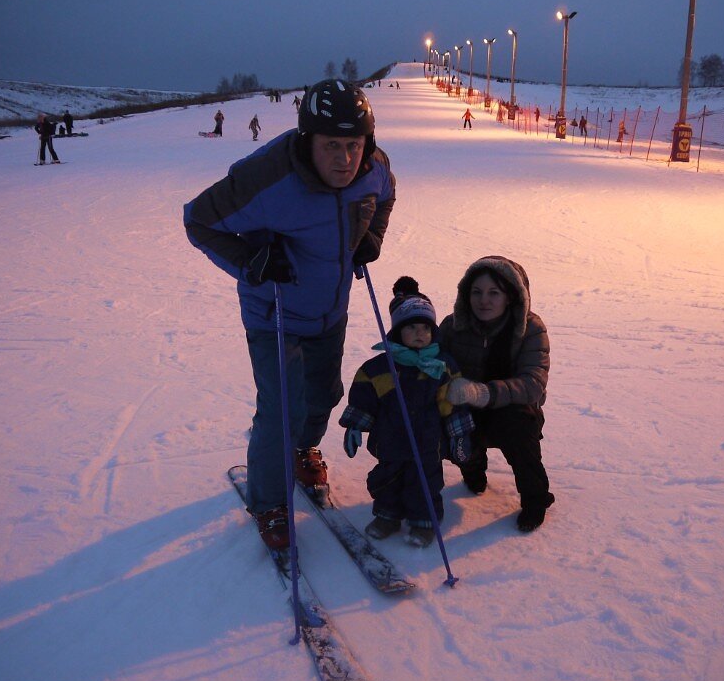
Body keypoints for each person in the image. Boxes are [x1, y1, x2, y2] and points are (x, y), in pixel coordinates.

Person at [183, 79, 396, 550]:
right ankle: (270, 502)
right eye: (332, 146)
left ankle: (303, 450)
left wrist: (371, 237)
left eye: (353, 145)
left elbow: (384, 199)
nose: (344, 159)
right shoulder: (268, 178)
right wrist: (251, 261)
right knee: (281, 408)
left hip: (329, 309)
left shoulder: (374, 168)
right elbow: (197, 220)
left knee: (323, 395)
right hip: (273, 311)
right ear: (307, 141)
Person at [339, 277, 473, 547]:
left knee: (424, 483)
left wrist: (460, 435)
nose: (419, 333)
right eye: (411, 327)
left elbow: (454, 401)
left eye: (425, 327)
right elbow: (364, 397)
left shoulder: (442, 366)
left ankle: (424, 523)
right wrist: (355, 425)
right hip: (389, 439)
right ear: (397, 331)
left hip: (428, 442)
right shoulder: (380, 367)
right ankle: (387, 516)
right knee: (387, 479)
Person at [440, 256, 554, 533]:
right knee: (443, 426)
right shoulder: (452, 326)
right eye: (476, 292)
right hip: (463, 407)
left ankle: (535, 499)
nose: (484, 301)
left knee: (518, 430)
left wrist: (483, 392)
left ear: (511, 296)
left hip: (511, 409)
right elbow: (431, 363)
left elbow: (533, 383)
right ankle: (473, 466)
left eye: (494, 293)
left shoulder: (531, 329)